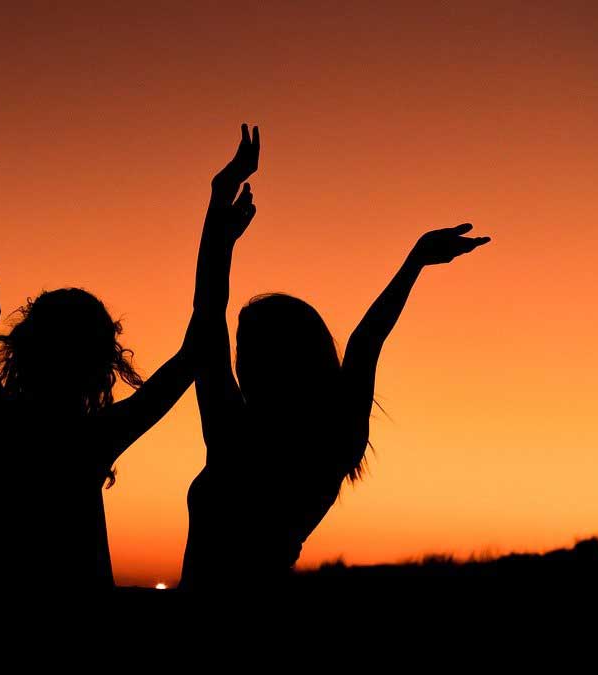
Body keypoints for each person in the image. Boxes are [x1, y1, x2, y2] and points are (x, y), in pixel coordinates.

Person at [0, 96, 198, 591]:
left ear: (25, 344)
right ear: (101, 363)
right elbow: (196, 349)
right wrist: (218, 229)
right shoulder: (94, 437)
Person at [179, 123, 491, 590]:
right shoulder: (333, 439)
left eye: (246, 350)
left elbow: (207, 313)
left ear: (267, 361)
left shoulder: (236, 436)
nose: (238, 362)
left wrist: (219, 204)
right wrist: (414, 263)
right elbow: (366, 342)